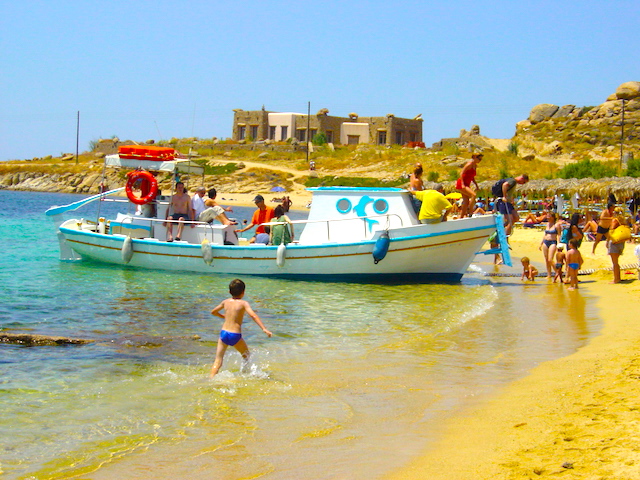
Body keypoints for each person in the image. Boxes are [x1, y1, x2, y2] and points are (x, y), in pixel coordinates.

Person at [210, 279, 272, 377]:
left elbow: (213, 312)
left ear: (229, 292)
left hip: (223, 333)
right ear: (243, 292)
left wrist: (224, 316)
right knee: (246, 355)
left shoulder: (225, 302)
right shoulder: (244, 303)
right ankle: (245, 374)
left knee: (218, 360)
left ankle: (211, 378)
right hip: (235, 335)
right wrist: (264, 329)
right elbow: (253, 316)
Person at [456, 153, 482, 218]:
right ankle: (471, 212)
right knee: (473, 195)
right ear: (474, 157)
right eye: (479, 158)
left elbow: (472, 177)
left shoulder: (475, 166)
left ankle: (461, 217)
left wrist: (476, 185)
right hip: (462, 183)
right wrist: (462, 184)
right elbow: (461, 173)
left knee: (466, 201)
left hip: (467, 184)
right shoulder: (469, 164)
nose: (480, 160)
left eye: (481, 159)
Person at [539, 212, 561, 278]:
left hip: (553, 242)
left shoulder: (557, 225)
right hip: (546, 242)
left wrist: (559, 244)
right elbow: (545, 234)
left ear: (553, 217)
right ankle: (549, 274)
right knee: (546, 259)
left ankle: (557, 272)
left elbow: (559, 235)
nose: (547, 217)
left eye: (549, 216)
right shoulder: (547, 224)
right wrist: (541, 243)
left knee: (550, 259)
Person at [607, 210, 627, 284]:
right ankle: (618, 278)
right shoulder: (623, 221)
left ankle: (616, 279)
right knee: (616, 262)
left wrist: (607, 241)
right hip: (621, 242)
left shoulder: (615, 220)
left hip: (614, 242)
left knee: (615, 262)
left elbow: (611, 231)